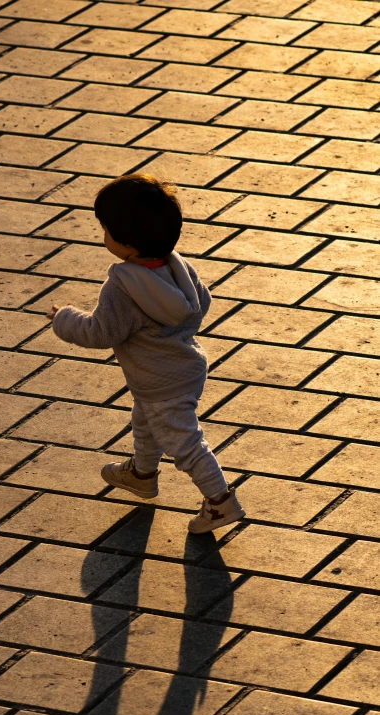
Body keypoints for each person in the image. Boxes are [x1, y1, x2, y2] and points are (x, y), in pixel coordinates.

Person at [46, 174, 244, 534]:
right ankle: (142, 473)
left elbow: (100, 332)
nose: (103, 235)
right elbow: (202, 303)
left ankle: (219, 502)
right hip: (185, 365)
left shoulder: (123, 286)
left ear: (127, 244)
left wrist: (64, 319)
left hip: (158, 377)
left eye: (105, 229)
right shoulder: (177, 266)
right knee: (146, 419)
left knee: (184, 443)